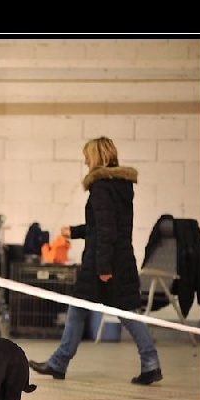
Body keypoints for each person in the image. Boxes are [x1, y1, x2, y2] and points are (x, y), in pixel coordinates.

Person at [28, 136, 162, 385]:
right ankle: (150, 363)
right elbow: (104, 225)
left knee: (85, 309)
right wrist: (77, 232)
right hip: (120, 259)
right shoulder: (121, 185)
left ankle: (59, 362)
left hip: (104, 262)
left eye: (87, 156)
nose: (85, 160)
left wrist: (102, 267)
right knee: (124, 312)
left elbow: (107, 230)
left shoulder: (100, 186)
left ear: (97, 157)